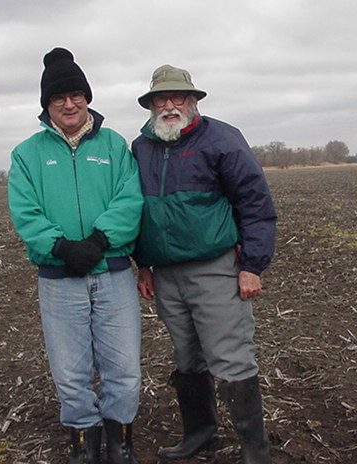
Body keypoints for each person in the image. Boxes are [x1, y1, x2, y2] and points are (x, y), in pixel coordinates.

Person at [132, 64, 277, 464]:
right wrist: (143, 264)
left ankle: (255, 450)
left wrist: (252, 265)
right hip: (166, 275)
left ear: (193, 101)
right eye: (160, 99)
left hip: (214, 269)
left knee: (231, 356)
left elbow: (255, 204)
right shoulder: (141, 148)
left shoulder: (222, 139)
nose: (169, 105)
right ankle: (200, 433)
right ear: (151, 105)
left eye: (178, 97)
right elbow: (137, 212)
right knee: (187, 356)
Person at [8, 47, 143, 464]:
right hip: (58, 277)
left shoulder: (115, 145)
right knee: (70, 370)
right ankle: (84, 442)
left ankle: (120, 441)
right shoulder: (27, 154)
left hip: (113, 272)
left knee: (123, 365)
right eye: (58, 98)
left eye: (76, 95)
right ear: (47, 104)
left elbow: (130, 199)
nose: (69, 104)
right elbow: (24, 211)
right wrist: (62, 248)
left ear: (87, 98)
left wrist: (99, 242)